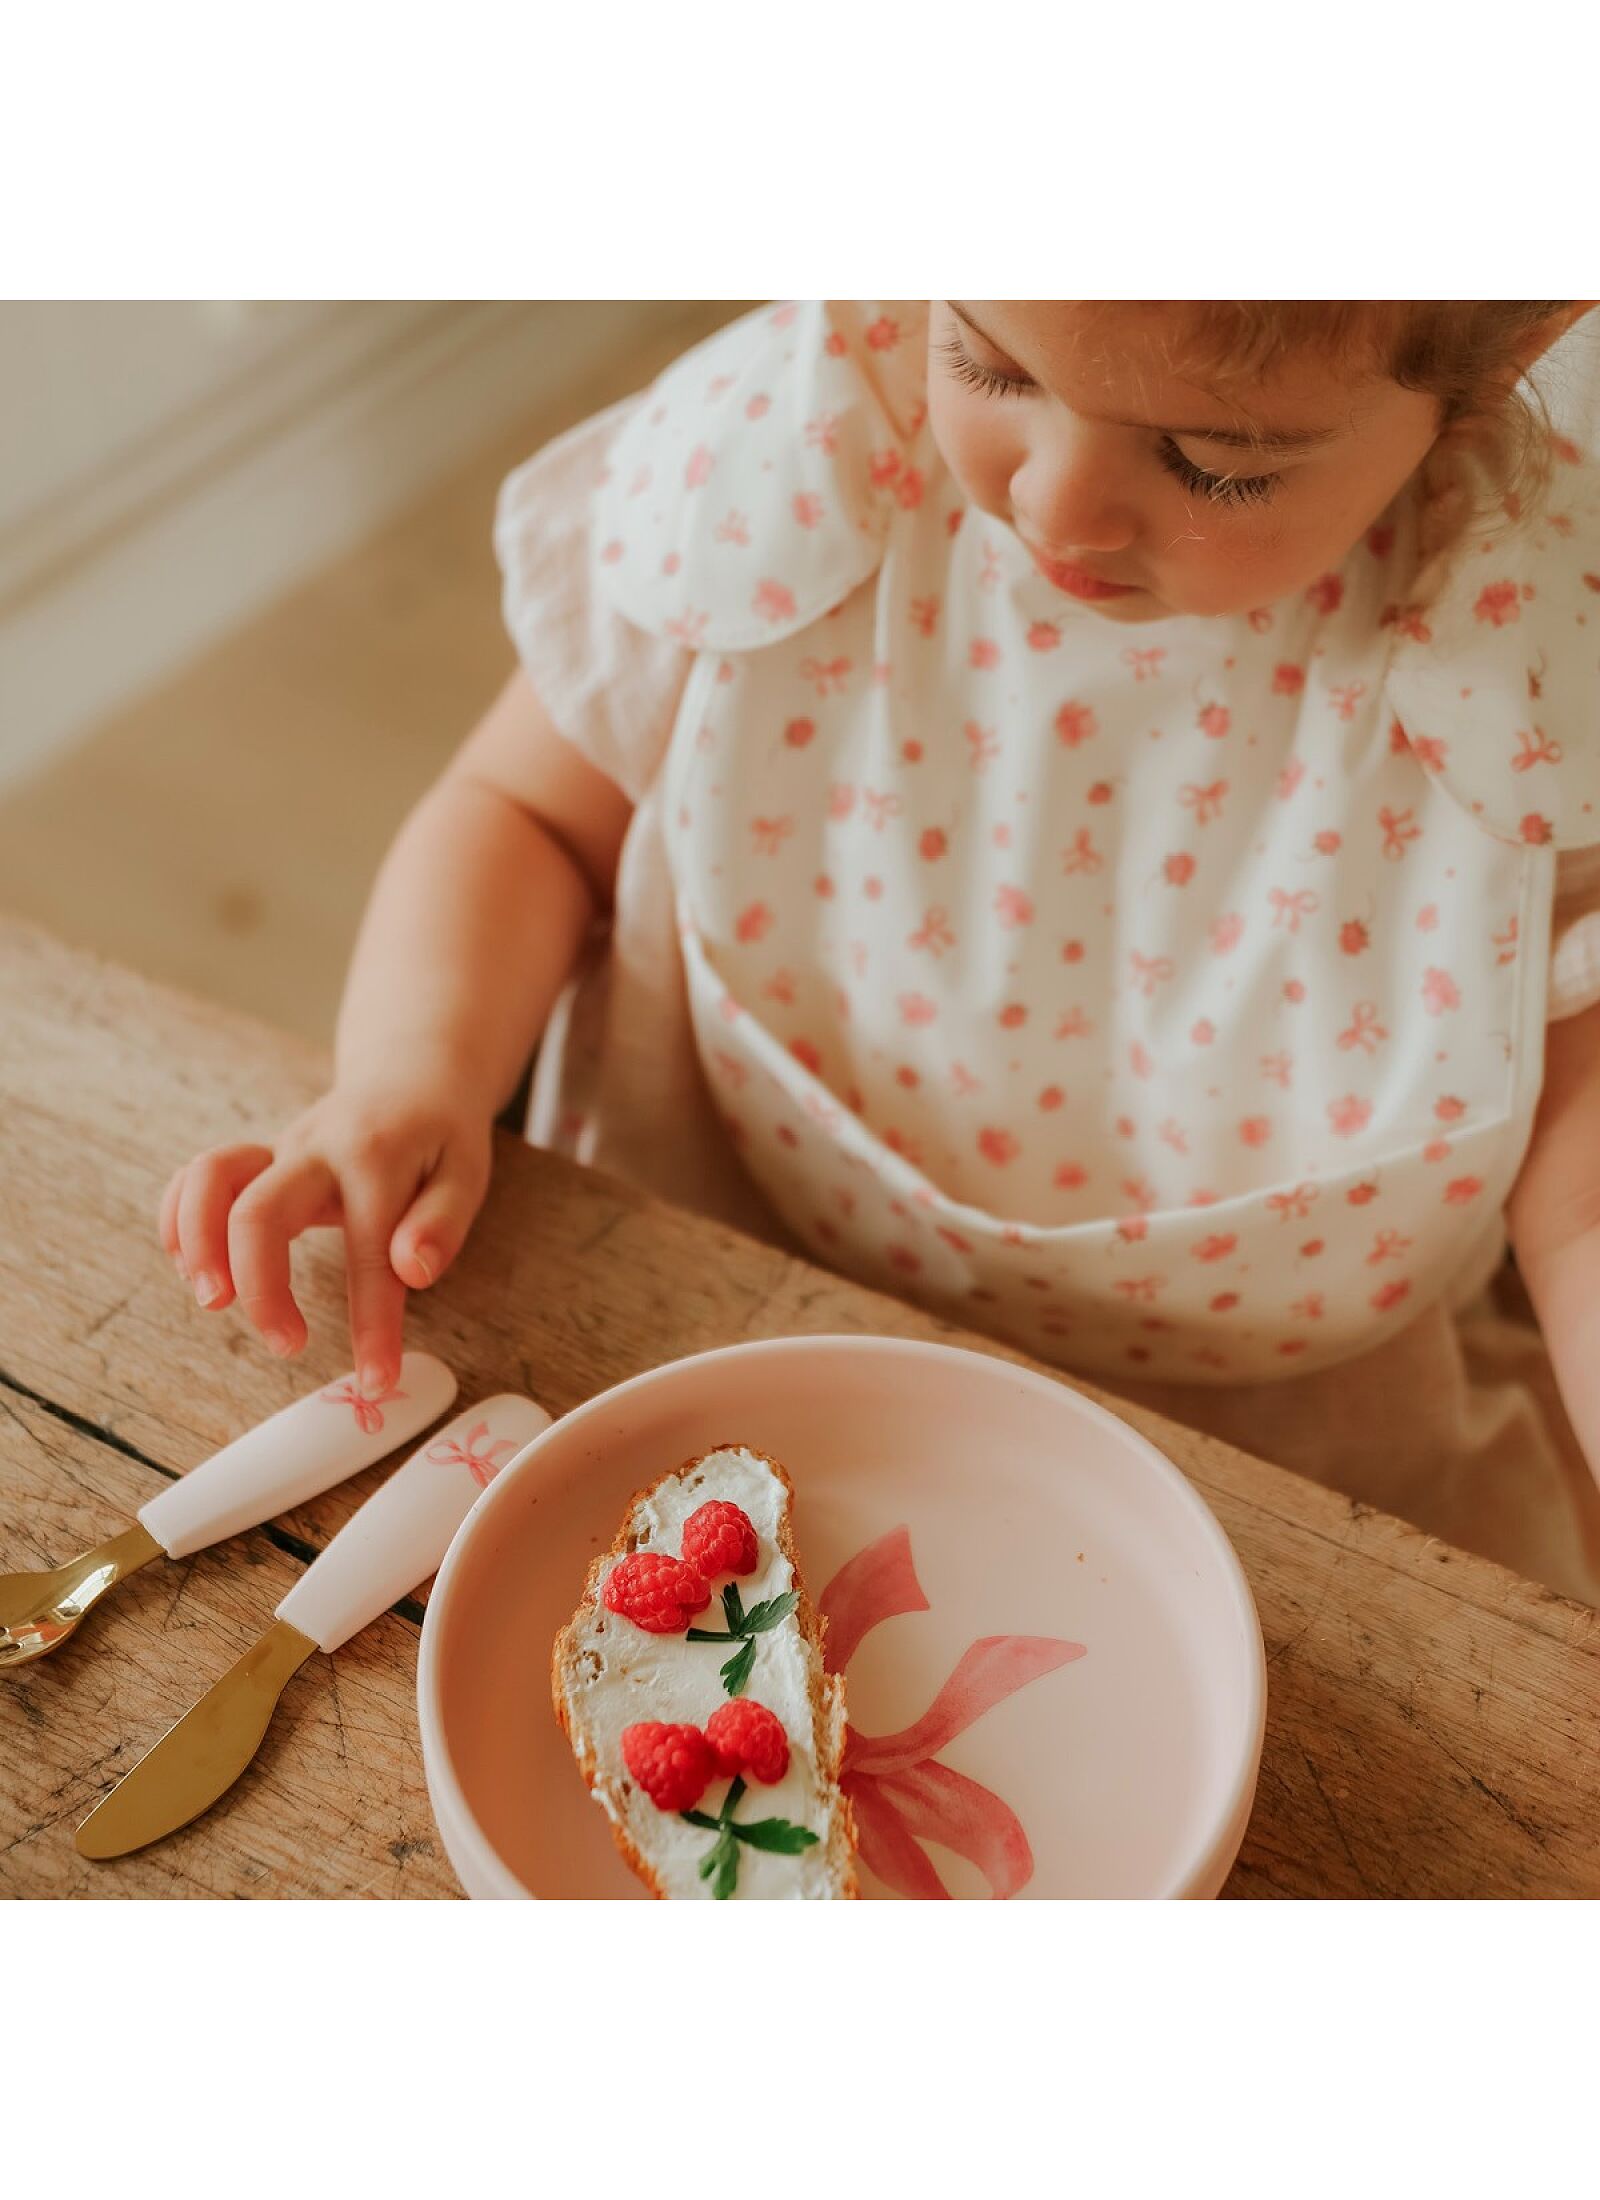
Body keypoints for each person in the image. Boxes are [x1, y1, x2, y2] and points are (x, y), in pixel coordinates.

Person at [159, 299, 1600, 1602]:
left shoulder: (1523, 660)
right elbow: (523, 812)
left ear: (1505, 357)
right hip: (721, 1320)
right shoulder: (805, 465)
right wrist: (407, 1078)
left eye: (1218, 465)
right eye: (986, 361)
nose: (1059, 505)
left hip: (1274, 1465)